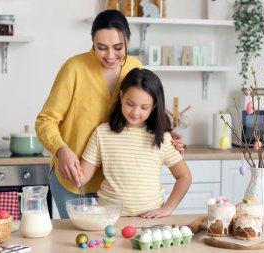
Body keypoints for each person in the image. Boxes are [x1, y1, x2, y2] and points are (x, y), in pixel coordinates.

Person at [35, 10, 184, 219]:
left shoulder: (134, 66)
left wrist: (166, 135)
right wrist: (61, 150)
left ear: (128, 40)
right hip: (76, 177)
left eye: (118, 47)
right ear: (92, 42)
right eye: (101, 48)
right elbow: (45, 121)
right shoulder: (74, 68)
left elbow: (144, 108)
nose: (110, 56)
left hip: (116, 186)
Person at [78, 68, 192, 218]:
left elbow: (184, 177)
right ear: (121, 96)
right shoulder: (102, 133)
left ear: (154, 106)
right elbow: (82, 176)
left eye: (144, 107)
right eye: (130, 104)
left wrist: (168, 208)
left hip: (149, 219)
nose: (135, 112)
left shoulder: (162, 138)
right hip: (109, 217)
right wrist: (64, 158)